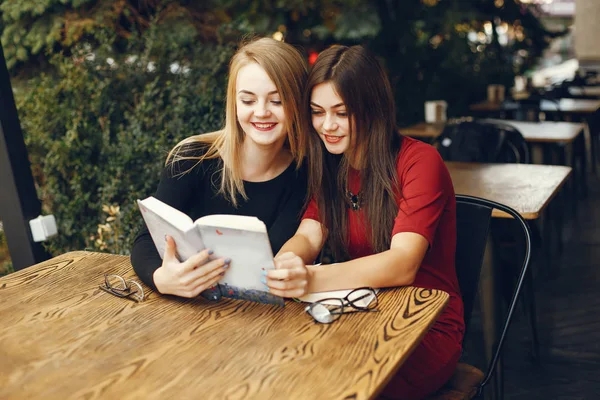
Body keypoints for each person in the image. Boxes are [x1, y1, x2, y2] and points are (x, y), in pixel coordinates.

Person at [266, 45, 464, 399]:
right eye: (317, 112)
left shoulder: (419, 162)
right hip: (357, 314)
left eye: (342, 113)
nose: (327, 126)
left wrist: (311, 277)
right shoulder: (331, 165)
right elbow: (309, 233)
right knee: (280, 367)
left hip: (422, 326)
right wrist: (289, 260)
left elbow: (403, 264)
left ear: (372, 109)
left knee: (326, 385)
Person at [131, 37, 309, 299]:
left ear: (297, 103)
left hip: (265, 319)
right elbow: (144, 240)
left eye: (277, 101)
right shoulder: (191, 159)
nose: (261, 112)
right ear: (234, 103)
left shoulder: (304, 173)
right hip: (189, 311)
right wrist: (162, 278)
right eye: (248, 101)